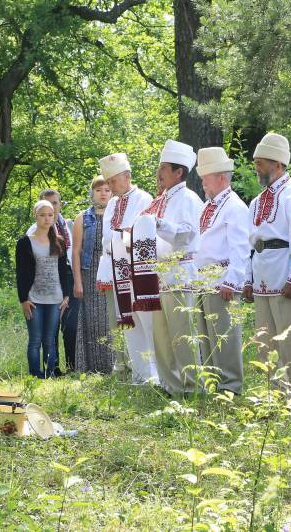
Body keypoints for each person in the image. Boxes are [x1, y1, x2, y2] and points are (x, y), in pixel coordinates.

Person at [242, 133, 291, 390]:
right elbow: (251, 245)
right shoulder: (257, 201)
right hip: (261, 271)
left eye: (261, 163)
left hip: (283, 270)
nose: (257, 168)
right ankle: (273, 392)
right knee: (265, 338)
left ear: (278, 164)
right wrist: (248, 279)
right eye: (256, 163)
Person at [141, 140, 204, 397]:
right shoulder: (160, 200)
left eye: (164, 168)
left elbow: (188, 235)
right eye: (160, 167)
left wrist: (158, 224)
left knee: (182, 334)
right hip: (158, 274)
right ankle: (171, 385)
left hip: (180, 273)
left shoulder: (189, 198)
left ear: (179, 172)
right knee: (162, 337)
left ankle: (192, 386)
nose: (159, 173)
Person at [193, 147, 249, 394]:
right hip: (203, 277)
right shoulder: (209, 206)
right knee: (207, 336)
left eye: (207, 175)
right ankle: (214, 383)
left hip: (222, 277)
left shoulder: (234, 206)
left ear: (222, 178)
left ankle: (231, 385)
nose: (203, 180)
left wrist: (233, 281)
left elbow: (241, 247)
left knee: (225, 335)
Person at [94, 153, 154, 382]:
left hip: (136, 268)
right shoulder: (112, 204)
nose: (109, 186)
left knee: (145, 321)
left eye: (112, 181)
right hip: (116, 267)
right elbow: (106, 237)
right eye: (107, 182)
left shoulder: (143, 198)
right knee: (126, 322)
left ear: (126, 176)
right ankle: (137, 374)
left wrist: (121, 238)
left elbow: (139, 231)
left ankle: (152, 374)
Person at [16, 200, 72, 379]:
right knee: (35, 340)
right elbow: (21, 273)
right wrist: (23, 299)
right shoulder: (25, 243)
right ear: (35, 215)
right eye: (43, 215)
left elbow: (64, 271)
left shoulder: (59, 242)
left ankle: (50, 375)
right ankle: (35, 375)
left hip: (55, 299)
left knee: (50, 340)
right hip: (33, 299)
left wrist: (66, 296)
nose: (47, 219)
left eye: (50, 215)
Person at [27, 189, 76, 373]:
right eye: (46, 205)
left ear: (59, 204)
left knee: (71, 326)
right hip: (45, 282)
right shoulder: (32, 233)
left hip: (68, 278)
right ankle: (52, 369)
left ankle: (72, 367)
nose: (51, 209)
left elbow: (73, 256)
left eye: (54, 204)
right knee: (50, 330)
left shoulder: (69, 226)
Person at [72, 176, 114, 374]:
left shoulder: (117, 215)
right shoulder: (83, 218)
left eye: (107, 189)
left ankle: (112, 366)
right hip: (90, 273)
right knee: (92, 320)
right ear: (92, 193)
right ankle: (91, 367)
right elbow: (76, 252)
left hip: (112, 272)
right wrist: (77, 282)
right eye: (99, 190)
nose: (103, 193)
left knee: (110, 319)